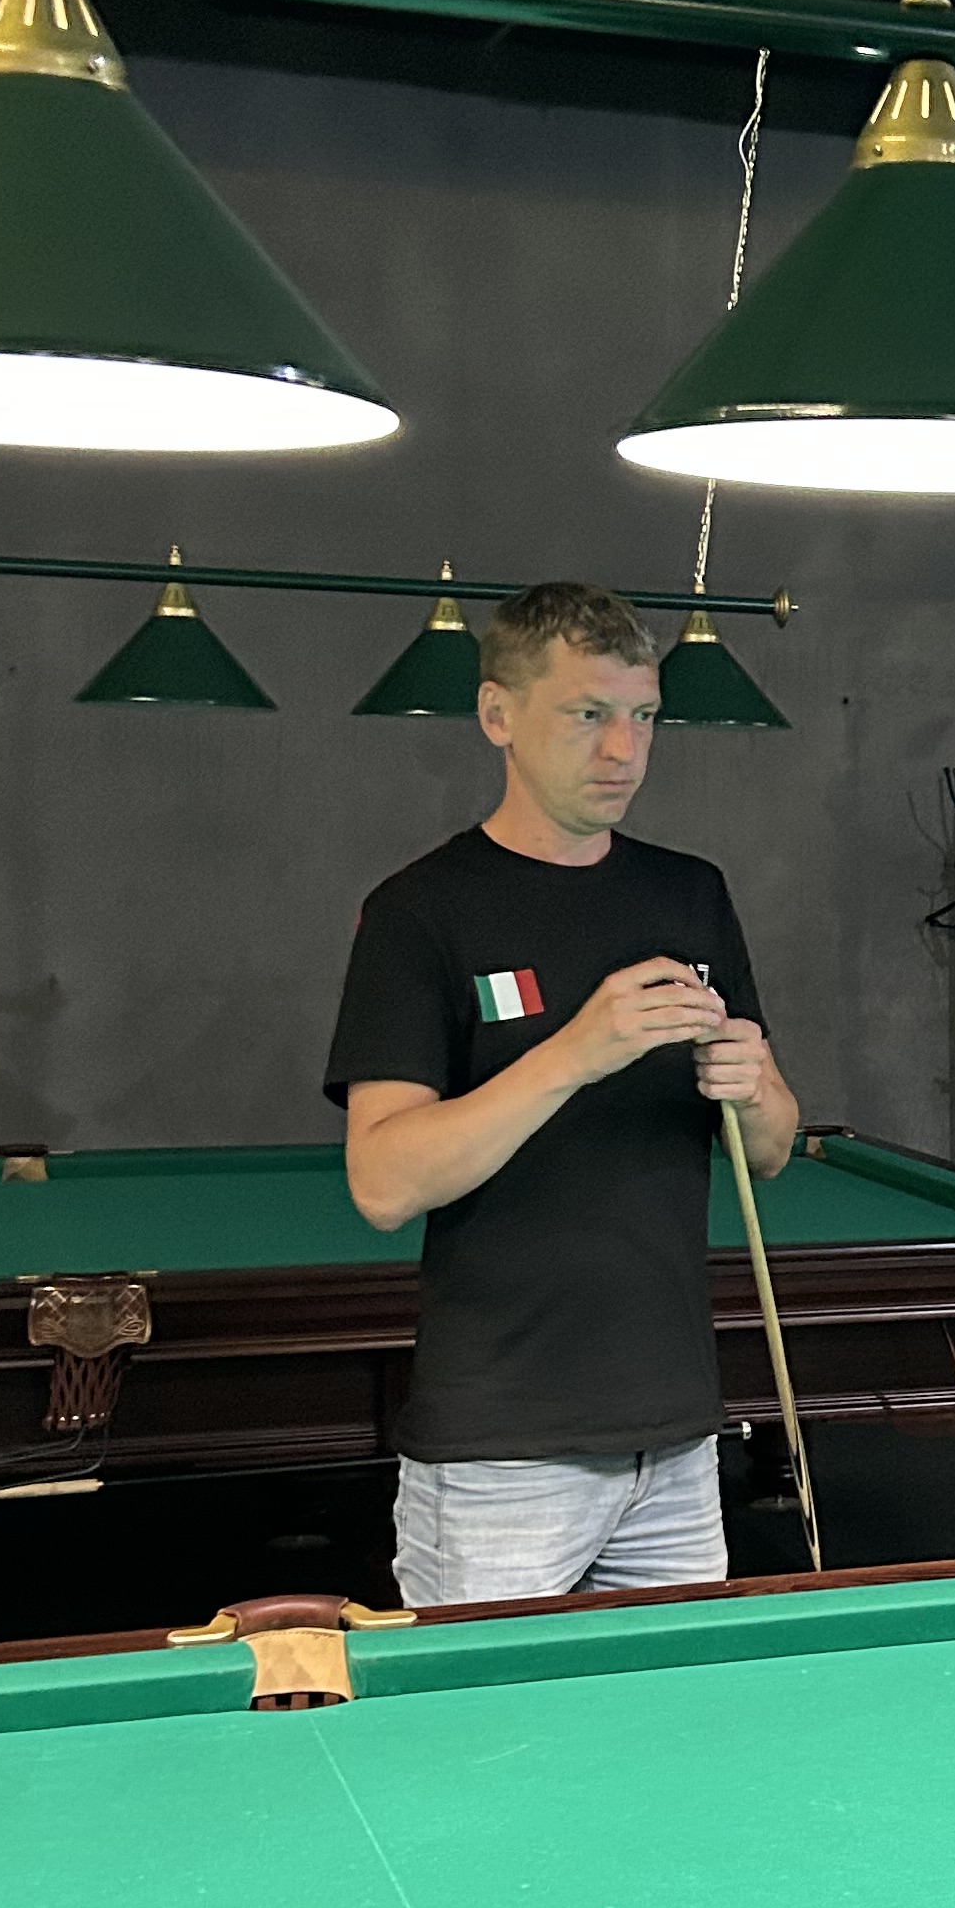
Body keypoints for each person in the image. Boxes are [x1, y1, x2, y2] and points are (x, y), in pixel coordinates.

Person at [325, 579, 799, 1607]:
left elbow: (768, 1147)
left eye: (644, 717)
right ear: (498, 714)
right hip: (501, 1450)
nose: (623, 749)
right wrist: (575, 1052)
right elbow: (383, 1182)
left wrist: (756, 1089)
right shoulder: (419, 913)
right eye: (588, 714)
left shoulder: (692, 893)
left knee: (676, 1706)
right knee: (490, 1713)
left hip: (676, 1440)